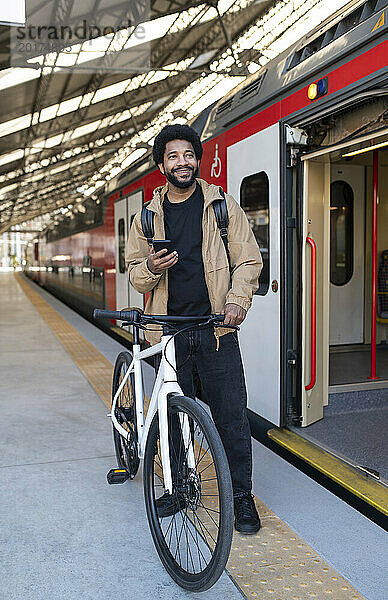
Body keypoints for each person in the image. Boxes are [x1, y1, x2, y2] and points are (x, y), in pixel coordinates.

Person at [126, 124, 263, 534]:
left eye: (188, 154)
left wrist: (238, 302)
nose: (181, 162)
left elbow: (249, 259)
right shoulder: (147, 218)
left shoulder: (221, 206)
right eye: (172, 156)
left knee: (232, 420)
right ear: (161, 165)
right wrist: (150, 268)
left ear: (197, 159)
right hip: (168, 333)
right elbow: (134, 273)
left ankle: (241, 498)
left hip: (216, 329)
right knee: (171, 419)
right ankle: (179, 486)